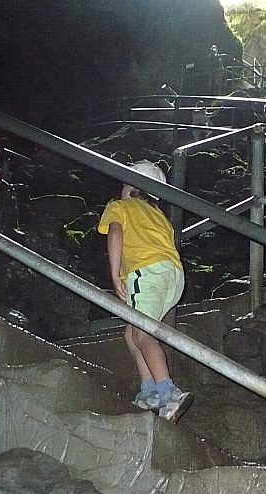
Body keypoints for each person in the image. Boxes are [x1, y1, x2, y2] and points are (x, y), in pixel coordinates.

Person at [97, 160, 193, 423]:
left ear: (130, 185)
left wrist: (115, 273)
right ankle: (149, 389)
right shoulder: (159, 216)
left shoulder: (120, 207)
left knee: (140, 334)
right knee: (132, 334)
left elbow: (115, 234)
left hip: (146, 272)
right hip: (173, 276)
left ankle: (167, 392)